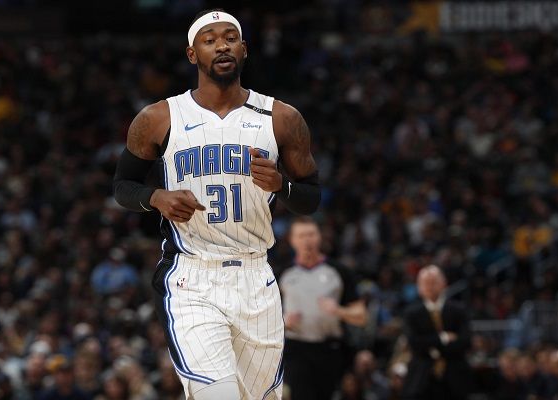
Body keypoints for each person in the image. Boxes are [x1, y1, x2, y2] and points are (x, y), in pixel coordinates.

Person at [112, 8, 320, 400]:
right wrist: (155, 197)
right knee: (217, 394)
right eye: (210, 40)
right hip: (192, 276)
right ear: (193, 54)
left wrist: (282, 186)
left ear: (244, 49)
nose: (222, 46)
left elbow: (311, 198)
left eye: (230, 38)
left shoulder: (281, 117)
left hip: (255, 275)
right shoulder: (159, 117)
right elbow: (123, 185)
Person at [279, 217, 367, 400]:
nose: (307, 240)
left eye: (311, 234)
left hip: (331, 348)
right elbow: (263, 318)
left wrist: (338, 310)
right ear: (292, 240)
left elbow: (361, 316)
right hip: (296, 348)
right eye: (301, 235)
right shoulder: (281, 273)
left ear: (319, 237)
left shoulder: (339, 271)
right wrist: (282, 322)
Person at [401, 265, 472, 400]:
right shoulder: (411, 313)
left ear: (444, 284)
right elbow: (414, 343)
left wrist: (429, 344)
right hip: (421, 379)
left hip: (455, 378)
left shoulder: (459, 310)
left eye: (433, 282)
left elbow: (465, 341)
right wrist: (444, 338)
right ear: (419, 287)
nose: (430, 286)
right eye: (426, 283)